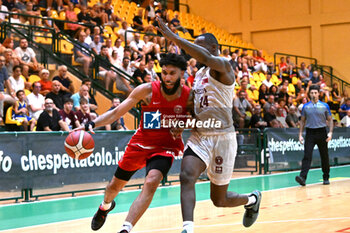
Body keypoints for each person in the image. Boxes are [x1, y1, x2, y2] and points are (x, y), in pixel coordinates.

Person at [156, 17, 262, 233]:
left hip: (223, 139)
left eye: (199, 45)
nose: (195, 49)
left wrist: (175, 38)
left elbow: (202, 56)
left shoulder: (223, 65)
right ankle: (188, 228)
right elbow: (192, 108)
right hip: (201, 136)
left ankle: (251, 199)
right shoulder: (198, 76)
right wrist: (182, 122)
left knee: (219, 200)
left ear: (214, 48)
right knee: (186, 175)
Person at [79, 53, 190, 233]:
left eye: (172, 73)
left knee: (151, 181)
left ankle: (125, 228)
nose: (168, 77)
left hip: (165, 147)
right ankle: (105, 206)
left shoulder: (188, 95)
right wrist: (91, 124)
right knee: (113, 187)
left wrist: (184, 124)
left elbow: (197, 117)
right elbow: (117, 113)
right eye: (165, 73)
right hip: (141, 143)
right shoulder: (147, 90)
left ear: (182, 74)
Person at [295, 85, 333, 186]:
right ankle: (302, 177)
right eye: (312, 93)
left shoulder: (324, 106)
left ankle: (326, 177)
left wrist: (330, 132)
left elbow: (330, 120)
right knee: (307, 155)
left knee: (324, 156)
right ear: (309, 94)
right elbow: (302, 122)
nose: (313, 94)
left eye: (315, 93)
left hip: (322, 132)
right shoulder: (305, 107)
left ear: (318, 94)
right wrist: (300, 135)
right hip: (310, 133)